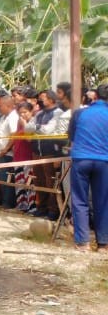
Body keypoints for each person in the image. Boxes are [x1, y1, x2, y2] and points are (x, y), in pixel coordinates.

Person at [68, 84, 108, 252]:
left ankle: (83, 242)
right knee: (103, 201)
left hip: (81, 159)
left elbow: (71, 136)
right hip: (104, 161)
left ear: (95, 97)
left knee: (80, 200)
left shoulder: (80, 113)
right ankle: (103, 244)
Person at [0, 94, 19, 208]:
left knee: (6, 178)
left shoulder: (13, 117)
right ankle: (4, 202)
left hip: (6, 154)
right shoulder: (3, 117)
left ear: (8, 105)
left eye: (0, 106)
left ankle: (8, 203)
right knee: (2, 178)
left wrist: (6, 149)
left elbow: (14, 134)